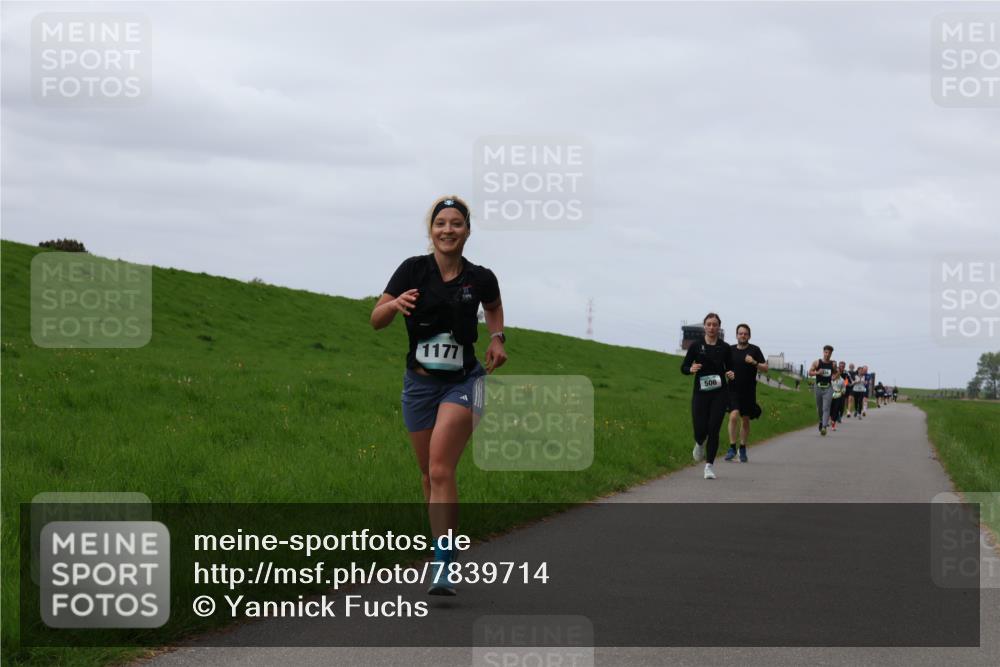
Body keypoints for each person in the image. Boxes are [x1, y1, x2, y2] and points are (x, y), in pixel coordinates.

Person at [371, 195, 507, 595]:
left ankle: (442, 563)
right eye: (440, 223)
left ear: (467, 230)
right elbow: (376, 321)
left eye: (456, 223)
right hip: (419, 384)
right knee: (428, 474)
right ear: (431, 230)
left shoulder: (481, 277)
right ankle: (443, 544)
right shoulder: (413, 270)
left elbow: (494, 307)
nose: (448, 230)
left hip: (465, 381)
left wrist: (497, 338)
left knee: (442, 469)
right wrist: (394, 304)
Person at [681, 313, 736, 479]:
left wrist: (731, 374)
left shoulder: (725, 347)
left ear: (719, 327)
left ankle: (709, 466)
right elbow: (683, 367)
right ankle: (699, 443)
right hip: (700, 393)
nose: (712, 327)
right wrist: (690, 369)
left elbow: (730, 368)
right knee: (700, 429)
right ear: (704, 326)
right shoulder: (696, 346)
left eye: (715, 324)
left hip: (719, 393)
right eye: (709, 324)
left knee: (714, 428)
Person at [724, 323, 767, 463]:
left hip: (749, 390)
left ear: (749, 335)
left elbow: (765, 368)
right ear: (736, 335)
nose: (743, 335)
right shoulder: (729, 350)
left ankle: (742, 448)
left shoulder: (754, 350)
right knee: (733, 415)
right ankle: (731, 447)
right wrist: (727, 373)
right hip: (733, 389)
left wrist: (754, 362)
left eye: (745, 333)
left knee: (746, 419)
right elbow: (723, 366)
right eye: (740, 333)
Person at [808, 345, 837, 436]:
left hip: (828, 388)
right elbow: (810, 372)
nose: (827, 355)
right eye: (826, 352)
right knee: (820, 408)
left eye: (829, 353)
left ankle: (824, 426)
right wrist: (817, 372)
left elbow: (837, 374)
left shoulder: (833, 364)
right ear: (823, 352)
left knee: (826, 408)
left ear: (831, 354)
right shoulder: (817, 362)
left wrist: (834, 377)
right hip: (818, 387)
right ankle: (821, 421)